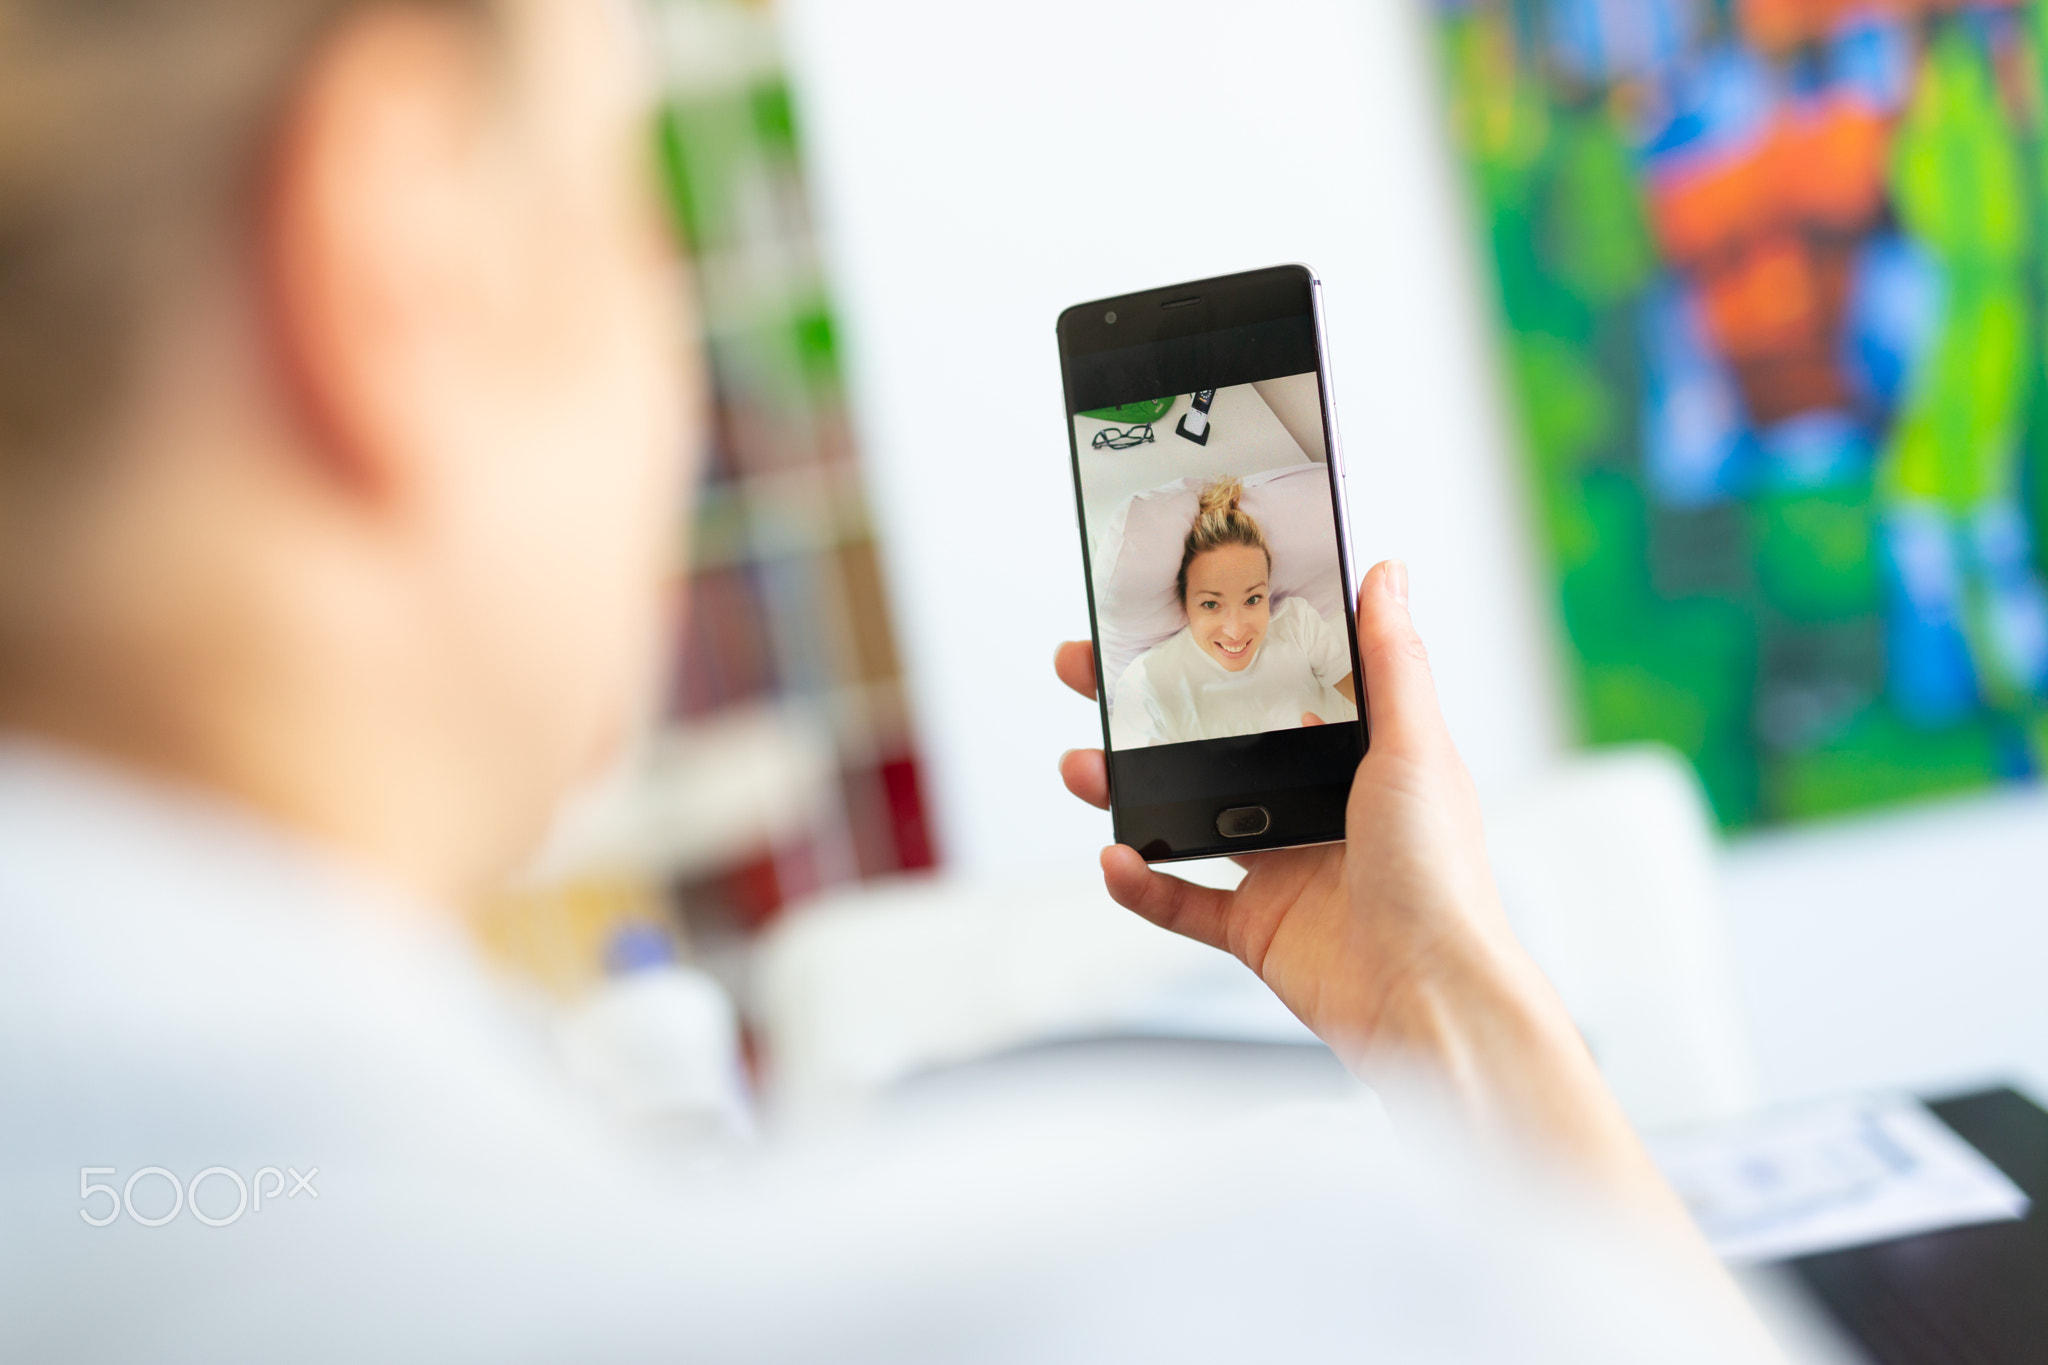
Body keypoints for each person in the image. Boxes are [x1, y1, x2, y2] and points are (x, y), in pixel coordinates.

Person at [0, 0, 1778, 1359]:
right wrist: (1462, 1009)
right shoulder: (1288, 1297)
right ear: (399, 266)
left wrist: (1408, 986)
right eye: (633, 206)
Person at [1110, 477, 1358, 748]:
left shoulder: (1297, 623)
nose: (1236, 631)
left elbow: (1370, 702)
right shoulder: (1147, 683)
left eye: (1252, 599)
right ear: (1185, 602)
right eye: (1211, 604)